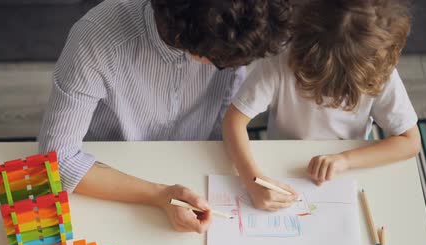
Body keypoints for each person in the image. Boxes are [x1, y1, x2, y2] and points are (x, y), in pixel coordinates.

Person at [39, 0, 292, 231]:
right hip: (108, 175)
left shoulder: (233, 35)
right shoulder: (97, 38)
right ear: (186, 38)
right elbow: (57, 162)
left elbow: (224, 118)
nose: (234, 66)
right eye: (221, 62)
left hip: (196, 168)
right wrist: (159, 196)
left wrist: (251, 176)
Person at [223, 0, 421, 212]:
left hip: (351, 166)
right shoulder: (281, 60)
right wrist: (253, 182)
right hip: (283, 159)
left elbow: (410, 142)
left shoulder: (379, 72)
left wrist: (345, 160)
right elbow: (233, 121)